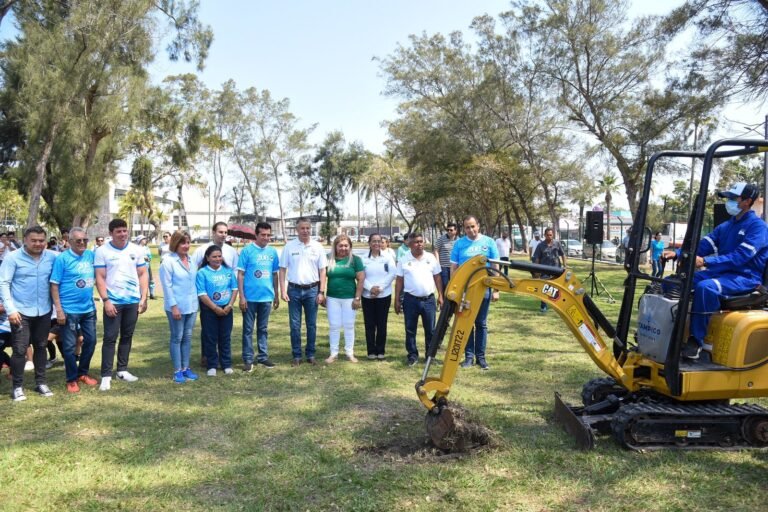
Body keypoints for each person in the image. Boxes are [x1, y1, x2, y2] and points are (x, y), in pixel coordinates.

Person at [681, 182, 768, 360]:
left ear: (747, 201)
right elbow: (703, 245)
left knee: (706, 287)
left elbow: (740, 257)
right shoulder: (727, 226)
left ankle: (696, 341)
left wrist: (706, 261)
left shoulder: (758, 227)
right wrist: (679, 254)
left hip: (745, 277)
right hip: (723, 274)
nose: (728, 201)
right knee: (676, 282)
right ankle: (673, 334)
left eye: (732, 198)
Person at [0, 226, 58, 400]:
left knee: (41, 346)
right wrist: (10, 309)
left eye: (41, 240)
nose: (38, 244)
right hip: (20, 312)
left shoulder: (52, 257)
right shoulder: (12, 258)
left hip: (44, 311)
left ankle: (41, 383)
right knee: (19, 350)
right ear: (25, 240)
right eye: (34, 240)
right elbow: (4, 283)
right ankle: (17, 387)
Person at [94, 218, 149, 391]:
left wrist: (143, 297)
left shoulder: (136, 250)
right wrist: (106, 300)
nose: (123, 234)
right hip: (113, 302)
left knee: (127, 336)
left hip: (132, 301)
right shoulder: (102, 251)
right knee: (110, 338)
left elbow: (143, 274)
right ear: (111, 233)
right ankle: (106, 375)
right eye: (118, 231)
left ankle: (122, 371)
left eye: (125, 230)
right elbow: (100, 277)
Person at [50, 228, 99, 393]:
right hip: (69, 310)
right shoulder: (62, 259)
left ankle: (82, 373)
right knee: (70, 346)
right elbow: (54, 285)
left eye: (85, 240)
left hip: (88, 309)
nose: (82, 243)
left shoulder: (90, 255)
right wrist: (59, 310)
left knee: (91, 341)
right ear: (70, 241)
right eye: (78, 240)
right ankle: (71, 379)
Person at [451, 216, 499, 370]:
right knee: (466, 323)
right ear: (464, 229)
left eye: (473, 226)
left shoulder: (489, 242)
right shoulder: (459, 244)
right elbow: (454, 269)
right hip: (465, 291)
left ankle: (481, 358)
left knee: (481, 323)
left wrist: (496, 290)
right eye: (467, 227)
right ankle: (468, 357)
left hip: (483, 289)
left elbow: (495, 267)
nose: (471, 230)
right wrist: (455, 289)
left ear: (478, 226)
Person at [279, 217, 327, 366]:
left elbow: (323, 270)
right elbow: (282, 269)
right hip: (293, 290)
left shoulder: (317, 247)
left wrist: (321, 292)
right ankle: (297, 355)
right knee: (295, 325)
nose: (305, 231)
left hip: (312, 290)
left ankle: (311, 354)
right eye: (302, 228)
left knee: (311, 324)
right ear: (297, 230)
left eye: (308, 228)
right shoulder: (289, 246)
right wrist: (283, 290)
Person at [395, 232, 443, 366]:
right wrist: (397, 299)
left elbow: (437, 277)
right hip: (410, 300)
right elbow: (399, 280)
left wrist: (441, 295)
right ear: (409, 244)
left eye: (421, 241)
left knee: (431, 330)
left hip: (429, 300)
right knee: (410, 329)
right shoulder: (404, 259)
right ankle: (412, 356)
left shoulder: (431, 258)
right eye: (416, 242)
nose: (419, 244)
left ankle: (430, 356)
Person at [237, 222, 279, 371]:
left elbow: (275, 274)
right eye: (263, 235)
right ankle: (248, 359)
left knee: (263, 328)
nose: (266, 238)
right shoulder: (247, 251)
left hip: (266, 297)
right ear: (256, 235)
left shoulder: (273, 252)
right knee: (248, 329)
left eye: (268, 235)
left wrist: (276, 295)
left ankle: (263, 357)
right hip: (249, 298)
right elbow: (240, 274)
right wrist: (242, 297)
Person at [159, 230, 199, 384]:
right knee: (177, 337)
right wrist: (174, 306)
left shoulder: (192, 260)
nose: (186, 246)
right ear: (175, 243)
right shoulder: (168, 262)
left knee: (187, 337)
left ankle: (185, 367)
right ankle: (177, 370)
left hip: (191, 305)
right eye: (183, 242)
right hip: (176, 306)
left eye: (188, 242)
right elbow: (167, 286)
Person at [197, 245, 238, 376]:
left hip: (226, 309)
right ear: (207, 258)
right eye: (214, 257)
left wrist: (229, 305)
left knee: (225, 337)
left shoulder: (228, 271)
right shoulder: (202, 273)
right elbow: (202, 294)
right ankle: (212, 365)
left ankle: (226, 364)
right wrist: (215, 308)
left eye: (219, 256)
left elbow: (234, 289)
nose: (217, 259)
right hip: (209, 310)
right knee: (210, 337)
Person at [323, 234, 365, 363]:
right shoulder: (327, 258)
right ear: (335, 246)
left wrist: (357, 298)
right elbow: (322, 277)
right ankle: (333, 353)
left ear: (350, 247)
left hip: (349, 298)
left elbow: (361, 279)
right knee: (334, 325)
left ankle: (349, 353)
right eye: (340, 245)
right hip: (332, 298)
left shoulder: (355, 260)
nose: (343, 248)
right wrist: (321, 294)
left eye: (346, 246)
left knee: (349, 325)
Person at [361, 233, 396, 360]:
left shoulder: (388, 257)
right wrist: (370, 288)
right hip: (367, 295)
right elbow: (360, 276)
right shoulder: (363, 258)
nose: (376, 243)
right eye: (374, 241)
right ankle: (371, 351)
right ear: (369, 243)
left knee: (382, 324)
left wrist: (379, 288)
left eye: (378, 241)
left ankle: (380, 351)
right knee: (369, 324)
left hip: (384, 295)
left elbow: (392, 274)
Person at [532, 227, 567, 314]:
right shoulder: (540, 245)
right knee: (545, 288)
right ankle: (543, 306)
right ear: (544, 235)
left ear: (553, 235)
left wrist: (565, 265)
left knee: (557, 288)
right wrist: (536, 270)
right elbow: (537, 258)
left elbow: (563, 254)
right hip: (545, 270)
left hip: (556, 269)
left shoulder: (557, 243)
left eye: (551, 235)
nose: (549, 237)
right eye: (547, 235)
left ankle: (558, 306)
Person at [433, 223, 458, 289]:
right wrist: (437, 263)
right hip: (444, 267)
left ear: (455, 231)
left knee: (454, 284)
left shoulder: (459, 240)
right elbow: (436, 250)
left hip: (455, 267)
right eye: (447, 230)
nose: (449, 231)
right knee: (445, 284)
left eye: (451, 230)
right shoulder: (441, 239)